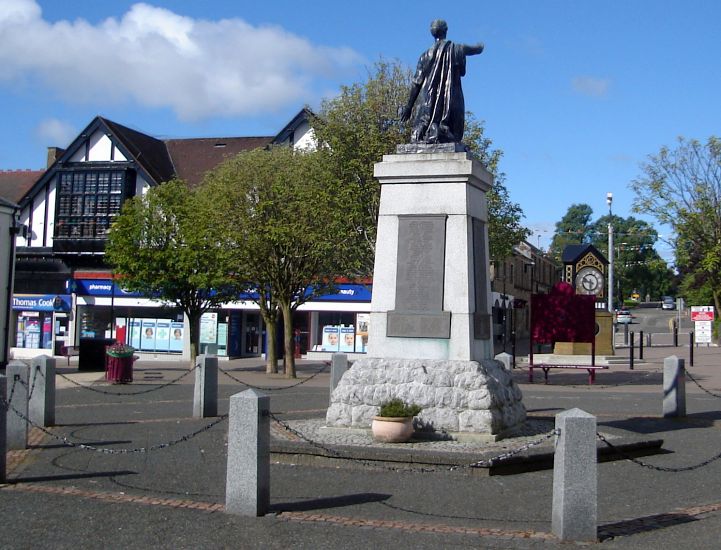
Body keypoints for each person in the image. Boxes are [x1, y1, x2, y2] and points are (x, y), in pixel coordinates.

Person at [400, 19, 484, 144]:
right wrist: (481, 46)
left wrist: (408, 107)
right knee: (451, 132)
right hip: (450, 98)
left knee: (423, 128)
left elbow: (416, 83)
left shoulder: (424, 56)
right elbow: (475, 50)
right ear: (446, 31)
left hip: (426, 100)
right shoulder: (457, 48)